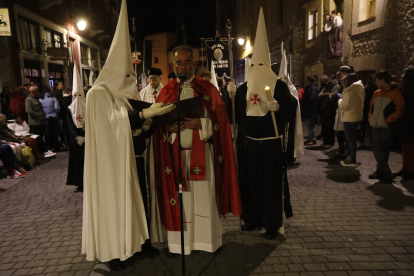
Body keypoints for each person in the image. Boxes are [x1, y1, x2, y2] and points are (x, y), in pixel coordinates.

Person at [82, 0, 174, 270]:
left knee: (138, 200)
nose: (132, 79)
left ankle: (138, 244)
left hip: (133, 157)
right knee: (114, 204)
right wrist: (144, 115)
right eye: (127, 74)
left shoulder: (122, 95)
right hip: (109, 166)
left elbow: (127, 124)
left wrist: (145, 125)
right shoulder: (97, 94)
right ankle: (115, 251)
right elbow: (111, 126)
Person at [152, 44, 242, 255]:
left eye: (186, 62)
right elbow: (157, 126)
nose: (182, 67)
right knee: (181, 201)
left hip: (203, 155)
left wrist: (201, 124)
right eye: (178, 63)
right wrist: (168, 128)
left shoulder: (208, 88)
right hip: (175, 156)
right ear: (173, 65)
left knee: (203, 199)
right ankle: (180, 245)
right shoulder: (167, 91)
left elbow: (222, 121)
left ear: (194, 63)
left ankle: (205, 242)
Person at [229, 8, 295, 239]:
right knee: (249, 182)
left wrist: (281, 108)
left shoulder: (279, 86)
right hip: (249, 144)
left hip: (270, 144)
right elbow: (234, 114)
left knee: (269, 185)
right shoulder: (244, 89)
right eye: (254, 66)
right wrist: (229, 97)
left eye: (261, 65)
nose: (257, 70)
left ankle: (271, 222)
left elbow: (291, 111)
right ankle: (251, 218)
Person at [368, 70, 405, 181]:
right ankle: (385, 171)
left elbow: (400, 109)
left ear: (383, 80)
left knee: (384, 149)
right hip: (374, 124)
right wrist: (371, 117)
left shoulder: (396, 93)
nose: (375, 82)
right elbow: (371, 107)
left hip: (386, 126)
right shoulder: (376, 93)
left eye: (377, 80)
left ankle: (382, 171)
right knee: (377, 148)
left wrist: (388, 120)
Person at [338, 74, 365, 167]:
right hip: (357, 116)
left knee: (350, 140)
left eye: (344, 81)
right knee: (353, 139)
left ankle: (352, 158)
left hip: (349, 117)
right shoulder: (360, 89)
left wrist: (339, 101)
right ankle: (352, 157)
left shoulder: (348, 92)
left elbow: (343, 106)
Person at [66, 63, 85, 192]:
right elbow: (70, 124)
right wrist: (76, 136)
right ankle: (78, 181)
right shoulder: (69, 109)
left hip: (87, 137)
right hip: (76, 139)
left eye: (80, 96)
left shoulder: (88, 106)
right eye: (75, 96)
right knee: (77, 161)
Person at [395, 67, 414, 178]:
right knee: (405, 146)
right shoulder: (404, 89)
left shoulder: (407, 90)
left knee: (409, 146)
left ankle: (410, 168)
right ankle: (406, 167)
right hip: (405, 120)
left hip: (408, 120)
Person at [318, 74, 341, 148]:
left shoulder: (336, 86)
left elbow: (333, 96)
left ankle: (330, 143)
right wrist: (328, 94)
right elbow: (320, 95)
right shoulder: (326, 86)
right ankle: (326, 142)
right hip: (325, 108)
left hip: (331, 108)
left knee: (330, 127)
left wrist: (327, 95)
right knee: (324, 126)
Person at [360, 74, 377, 147]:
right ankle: (362, 142)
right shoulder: (366, 89)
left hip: (374, 109)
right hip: (366, 109)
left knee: (372, 127)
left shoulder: (377, 89)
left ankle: (372, 142)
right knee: (363, 127)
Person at [302, 76, 319, 145]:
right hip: (307, 110)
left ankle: (313, 139)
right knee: (309, 126)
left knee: (311, 126)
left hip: (311, 110)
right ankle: (310, 138)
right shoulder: (309, 88)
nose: (306, 82)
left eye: (307, 80)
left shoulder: (313, 88)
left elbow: (312, 99)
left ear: (310, 81)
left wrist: (305, 104)